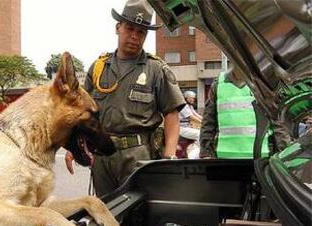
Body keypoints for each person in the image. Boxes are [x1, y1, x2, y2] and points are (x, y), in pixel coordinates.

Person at [65, 0, 186, 197]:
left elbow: (171, 113)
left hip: (138, 155)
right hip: (102, 154)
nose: (134, 36)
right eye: (129, 28)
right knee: (105, 213)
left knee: (138, 214)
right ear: (118, 28)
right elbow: (83, 112)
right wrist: (74, 146)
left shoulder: (156, 69)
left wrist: (169, 155)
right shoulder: (98, 68)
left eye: (141, 32)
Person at [199, 66, 270, 158]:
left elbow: (278, 121)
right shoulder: (219, 84)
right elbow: (208, 123)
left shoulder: (265, 83)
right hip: (224, 161)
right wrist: (206, 153)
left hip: (261, 161)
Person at [179, 90, 202, 159]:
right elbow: (191, 117)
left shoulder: (189, 106)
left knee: (202, 131)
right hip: (181, 128)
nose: (193, 99)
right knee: (200, 134)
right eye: (191, 98)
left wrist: (205, 120)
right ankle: (194, 152)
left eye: (193, 98)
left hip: (187, 127)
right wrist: (203, 122)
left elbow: (196, 115)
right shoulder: (183, 106)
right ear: (186, 98)